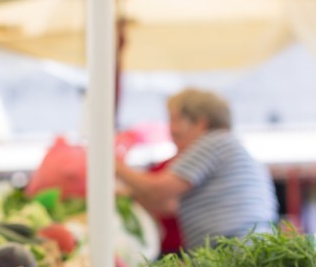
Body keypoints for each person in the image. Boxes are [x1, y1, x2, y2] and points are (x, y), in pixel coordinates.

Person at [115, 88, 277, 250]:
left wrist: (114, 165)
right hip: (248, 248)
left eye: (175, 120)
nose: (171, 130)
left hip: (233, 250)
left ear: (200, 123)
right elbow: (169, 204)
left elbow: (157, 190)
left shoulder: (212, 143)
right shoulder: (229, 146)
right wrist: (126, 194)